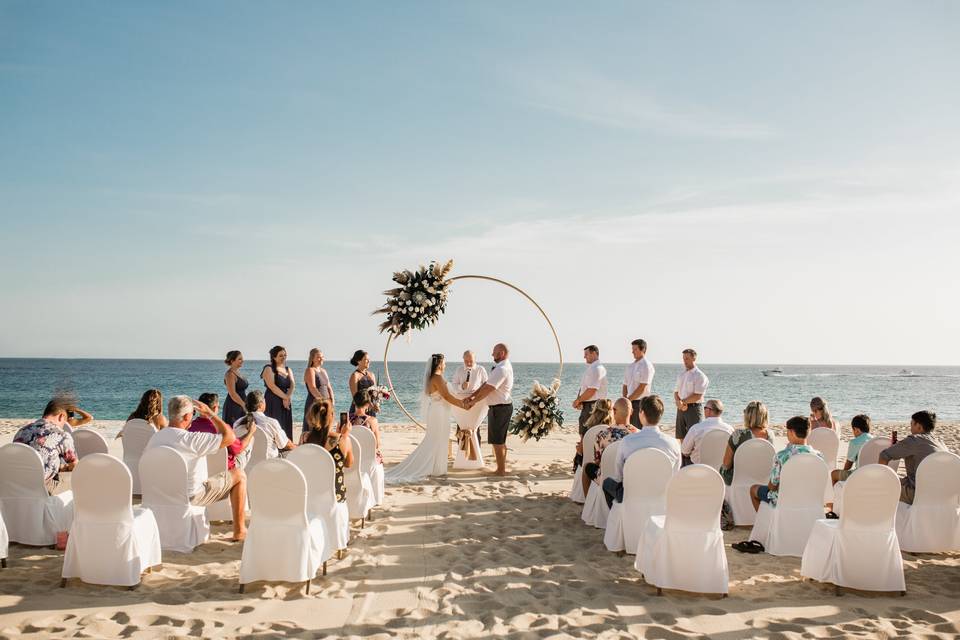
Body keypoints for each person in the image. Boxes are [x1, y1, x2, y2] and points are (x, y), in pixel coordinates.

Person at [145, 395, 248, 541]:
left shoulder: (155, 439)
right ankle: (240, 531)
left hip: (159, 494)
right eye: (192, 414)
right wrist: (211, 415)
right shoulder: (191, 439)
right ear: (187, 416)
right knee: (239, 475)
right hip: (191, 496)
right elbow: (230, 438)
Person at [384, 354, 465, 483]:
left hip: (438, 411)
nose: (445, 365)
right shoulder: (437, 378)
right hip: (439, 413)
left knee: (438, 439)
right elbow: (447, 396)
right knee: (437, 439)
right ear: (439, 364)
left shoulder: (433, 378)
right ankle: (436, 469)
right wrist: (462, 405)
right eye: (444, 363)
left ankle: (437, 468)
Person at [602, 395, 679, 507]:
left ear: (641, 413)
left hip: (632, 496)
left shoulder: (628, 441)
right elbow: (674, 476)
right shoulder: (673, 444)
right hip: (661, 497)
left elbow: (618, 476)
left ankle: (618, 514)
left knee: (607, 483)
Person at [750, 416, 823, 511]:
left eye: (787, 431)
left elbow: (772, 487)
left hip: (784, 500)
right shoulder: (818, 456)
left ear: (792, 432)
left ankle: (765, 520)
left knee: (753, 489)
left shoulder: (782, 456)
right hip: (810, 499)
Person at [464, 343, 514, 476]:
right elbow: (486, 384)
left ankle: (501, 470)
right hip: (499, 408)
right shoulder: (500, 367)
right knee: (499, 440)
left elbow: (488, 389)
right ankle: (501, 468)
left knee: (498, 441)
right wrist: (472, 396)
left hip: (500, 408)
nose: (492, 355)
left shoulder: (502, 369)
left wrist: (473, 402)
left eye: (494, 352)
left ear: (502, 353)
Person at [880, 410, 948, 504]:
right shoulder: (940, 442)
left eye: (912, 424)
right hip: (942, 493)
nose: (910, 428)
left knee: (880, 487)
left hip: (918, 494)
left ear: (919, 426)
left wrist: (882, 479)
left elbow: (884, 455)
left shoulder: (914, 440)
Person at [13, 398, 78, 494]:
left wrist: (59, 466)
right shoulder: (62, 435)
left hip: (16, 485)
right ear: (61, 416)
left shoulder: (21, 431)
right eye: (65, 421)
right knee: (80, 479)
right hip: (42, 489)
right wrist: (67, 467)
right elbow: (75, 466)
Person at [301, 398, 353, 503]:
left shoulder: (304, 438)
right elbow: (348, 464)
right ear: (331, 417)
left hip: (310, 497)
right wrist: (344, 436)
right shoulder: (342, 440)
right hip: (335, 499)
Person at [190, 392, 256, 470]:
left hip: (201, 468)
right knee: (250, 439)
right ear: (215, 408)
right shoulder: (224, 429)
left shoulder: (190, 427)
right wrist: (250, 432)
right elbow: (239, 449)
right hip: (224, 469)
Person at [719, 400, 773, 485]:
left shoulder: (739, 435)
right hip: (762, 478)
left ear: (747, 416)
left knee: (722, 468)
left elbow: (726, 464)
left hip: (740, 479)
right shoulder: (770, 435)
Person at [232, 390, 295, 461]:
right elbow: (285, 444)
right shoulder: (270, 422)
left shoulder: (237, 423)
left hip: (246, 465)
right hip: (268, 464)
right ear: (261, 404)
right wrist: (297, 447)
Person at [576, 398, 615, 496]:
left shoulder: (588, 429)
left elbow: (580, 451)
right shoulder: (613, 430)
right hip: (609, 469)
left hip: (590, 468)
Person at [681, 399, 734, 465]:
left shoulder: (696, 428)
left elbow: (684, 451)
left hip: (699, 467)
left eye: (705, 408)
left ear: (708, 410)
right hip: (722, 468)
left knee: (683, 456)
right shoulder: (729, 429)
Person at [451, 350, 488, 445]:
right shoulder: (459, 370)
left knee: (475, 429)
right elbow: (453, 385)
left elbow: (486, 385)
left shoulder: (481, 369)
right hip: (461, 403)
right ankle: (462, 454)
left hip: (476, 403)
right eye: (466, 361)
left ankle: (476, 454)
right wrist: (461, 387)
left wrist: (475, 396)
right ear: (463, 359)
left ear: (475, 359)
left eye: (471, 361)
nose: (468, 363)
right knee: (461, 428)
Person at [673, 348, 709, 442]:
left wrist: (682, 402)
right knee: (681, 436)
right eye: (684, 358)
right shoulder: (681, 375)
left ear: (694, 359)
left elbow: (698, 396)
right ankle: (684, 456)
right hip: (680, 408)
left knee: (695, 437)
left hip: (694, 409)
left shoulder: (700, 376)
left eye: (687, 358)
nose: (685, 361)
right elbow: (676, 392)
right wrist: (678, 402)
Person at [261, 345, 295, 442]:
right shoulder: (268, 368)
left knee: (286, 425)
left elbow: (292, 385)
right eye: (280, 355)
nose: (283, 357)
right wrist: (285, 397)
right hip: (273, 401)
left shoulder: (288, 369)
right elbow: (272, 386)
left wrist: (287, 398)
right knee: (275, 425)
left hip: (286, 401)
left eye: (285, 355)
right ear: (274, 357)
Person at [572, 345, 608, 436]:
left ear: (594, 353)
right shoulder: (592, 368)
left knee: (589, 434)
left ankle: (584, 450)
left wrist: (578, 400)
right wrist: (579, 400)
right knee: (583, 432)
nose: (584, 357)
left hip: (594, 406)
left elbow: (592, 390)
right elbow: (584, 387)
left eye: (586, 354)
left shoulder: (597, 369)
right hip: (588, 405)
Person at [831, 414, 872, 485]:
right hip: (872, 473)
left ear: (856, 429)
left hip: (858, 475)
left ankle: (836, 495)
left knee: (834, 474)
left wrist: (843, 472)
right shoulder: (874, 439)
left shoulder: (855, 442)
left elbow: (848, 465)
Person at [623, 338, 655, 429]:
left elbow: (642, 387)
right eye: (632, 349)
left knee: (637, 429)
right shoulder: (630, 366)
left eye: (635, 349)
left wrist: (628, 400)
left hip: (640, 403)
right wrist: (625, 400)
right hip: (629, 402)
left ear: (643, 349)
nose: (632, 352)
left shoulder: (647, 366)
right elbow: (625, 385)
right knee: (628, 428)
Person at [303, 348, 334, 428]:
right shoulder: (310, 370)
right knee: (314, 429)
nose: (321, 359)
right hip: (315, 403)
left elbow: (329, 387)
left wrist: (332, 401)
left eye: (322, 357)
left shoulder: (323, 371)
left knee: (325, 428)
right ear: (312, 358)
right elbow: (312, 388)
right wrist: (323, 402)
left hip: (326, 403)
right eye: (318, 357)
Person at [351, 389, 382, 465]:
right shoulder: (372, 421)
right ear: (368, 404)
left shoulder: (345, 421)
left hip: (351, 457)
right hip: (367, 459)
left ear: (354, 402)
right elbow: (377, 444)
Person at [349, 350, 379, 418]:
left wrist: (376, 404)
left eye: (369, 359)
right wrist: (369, 405)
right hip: (359, 409)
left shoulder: (372, 375)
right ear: (359, 361)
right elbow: (355, 397)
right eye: (366, 359)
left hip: (371, 409)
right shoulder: (355, 375)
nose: (369, 361)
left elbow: (375, 393)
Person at [222, 350, 248, 426]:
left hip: (242, 404)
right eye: (239, 359)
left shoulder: (238, 372)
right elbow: (232, 393)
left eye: (242, 359)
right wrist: (243, 405)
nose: (242, 361)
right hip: (234, 405)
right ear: (232, 361)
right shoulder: (230, 374)